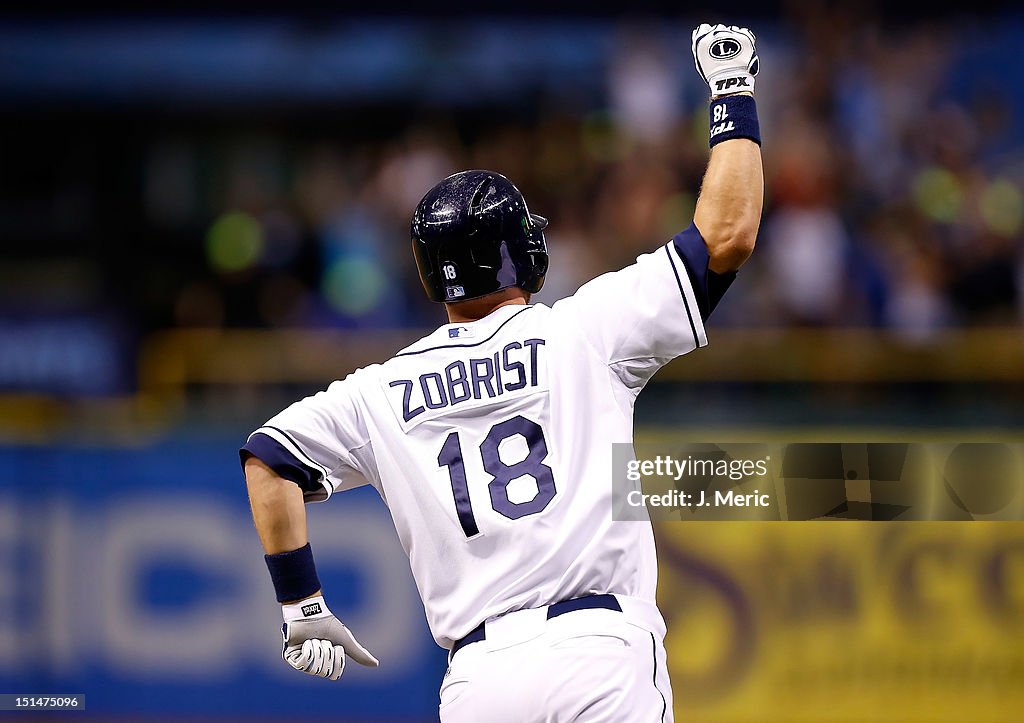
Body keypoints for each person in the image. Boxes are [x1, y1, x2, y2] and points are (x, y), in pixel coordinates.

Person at [241, 23, 763, 722]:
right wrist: (733, 91)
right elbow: (728, 235)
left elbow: (270, 457)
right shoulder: (583, 329)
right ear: (524, 250)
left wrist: (301, 602)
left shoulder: (381, 391)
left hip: (479, 679)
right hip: (598, 649)